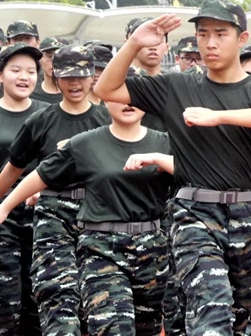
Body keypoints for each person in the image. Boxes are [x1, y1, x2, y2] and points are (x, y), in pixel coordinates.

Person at [94, 0, 251, 335]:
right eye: (202, 34)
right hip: (194, 214)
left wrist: (219, 117)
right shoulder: (178, 86)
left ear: (242, 37)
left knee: (235, 319)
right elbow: (106, 89)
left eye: (220, 33)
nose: (210, 43)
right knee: (212, 308)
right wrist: (133, 44)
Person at [0, 96, 174, 336]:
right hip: (102, 249)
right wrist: (6, 205)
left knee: (149, 328)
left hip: (152, 252)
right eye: (120, 97)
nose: (128, 103)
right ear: (105, 101)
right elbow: (42, 175)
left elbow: (196, 172)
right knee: (113, 327)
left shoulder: (165, 142)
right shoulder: (86, 143)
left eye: (135, 97)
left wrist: (157, 159)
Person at [0, 45, 110, 335]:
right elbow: (12, 171)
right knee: (56, 302)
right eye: (68, 76)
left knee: (96, 308)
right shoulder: (40, 120)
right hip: (52, 220)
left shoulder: (106, 121)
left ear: (92, 77)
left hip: (96, 221)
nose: (75, 83)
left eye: (82, 76)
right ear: (56, 77)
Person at [0, 43, 49, 336]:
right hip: (2, 212)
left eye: (31, 72)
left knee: (39, 292)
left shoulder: (48, 114)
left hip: (41, 212)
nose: (24, 77)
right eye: (16, 70)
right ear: (1, 76)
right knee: (5, 294)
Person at [30, 37, 67, 105]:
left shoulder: (75, 95)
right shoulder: (30, 95)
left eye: (60, 57)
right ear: (40, 59)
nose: (54, 62)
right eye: (49, 56)